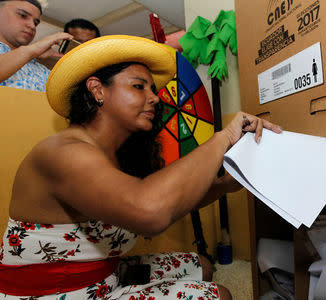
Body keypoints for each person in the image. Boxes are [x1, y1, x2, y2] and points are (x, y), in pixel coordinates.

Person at [0, 35, 282, 299]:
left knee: (201, 265)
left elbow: (168, 202)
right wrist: (224, 137)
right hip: (57, 293)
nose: (155, 97)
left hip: (105, 275)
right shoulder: (63, 153)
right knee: (219, 294)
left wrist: (224, 186)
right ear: (98, 90)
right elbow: (150, 211)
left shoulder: (119, 154)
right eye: (138, 86)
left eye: (152, 88)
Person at [0, 0, 72, 91]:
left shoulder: (43, 71)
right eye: (22, 15)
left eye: (36, 22)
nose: (32, 26)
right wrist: (33, 49)